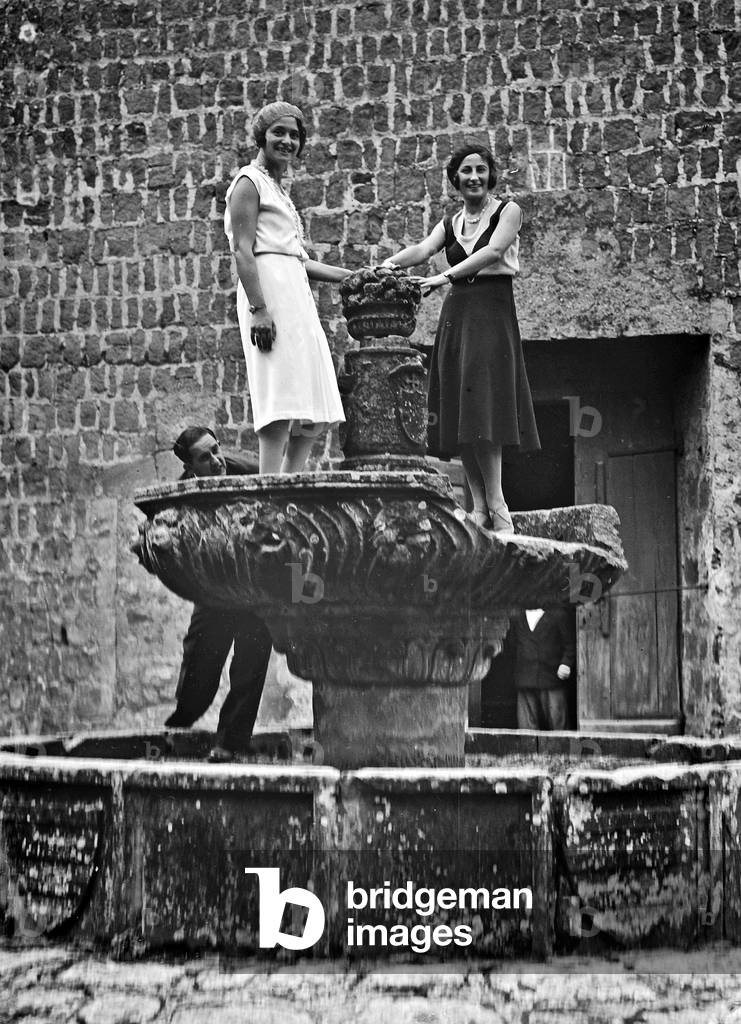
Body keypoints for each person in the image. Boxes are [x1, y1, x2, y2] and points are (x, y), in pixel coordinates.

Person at [383, 143, 540, 531]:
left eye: (481, 170)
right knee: (462, 412)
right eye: (466, 171)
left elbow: (492, 251)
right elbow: (423, 249)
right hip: (458, 315)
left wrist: (444, 277)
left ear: (490, 175)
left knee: (484, 409)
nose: (474, 177)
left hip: (491, 312)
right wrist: (387, 263)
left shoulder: (509, 211)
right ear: (455, 180)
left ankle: (499, 506)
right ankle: (480, 508)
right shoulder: (452, 221)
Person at [224, 101, 349, 474]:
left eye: (294, 135)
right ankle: (269, 483)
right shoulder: (249, 182)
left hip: (296, 294)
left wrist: (354, 275)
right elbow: (242, 251)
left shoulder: (279, 190)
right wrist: (260, 309)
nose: (287, 141)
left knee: (312, 392)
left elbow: (300, 259)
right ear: (262, 136)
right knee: (278, 390)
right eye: (279, 132)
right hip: (268, 295)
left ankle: (292, 480)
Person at [164, 426, 273, 763]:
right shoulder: (185, 491)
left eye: (216, 450)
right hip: (214, 587)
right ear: (189, 465)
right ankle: (179, 726)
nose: (216, 460)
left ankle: (230, 743)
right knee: (200, 662)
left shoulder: (248, 469)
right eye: (204, 457)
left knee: (250, 665)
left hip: (255, 584)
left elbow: (282, 484)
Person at [510, 607, 575, 730]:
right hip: (525, 678)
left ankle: (561, 749)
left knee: (558, 725)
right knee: (526, 728)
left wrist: (566, 663)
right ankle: (528, 749)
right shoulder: (517, 617)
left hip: (552, 679)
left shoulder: (558, 615)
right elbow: (512, 646)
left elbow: (570, 644)